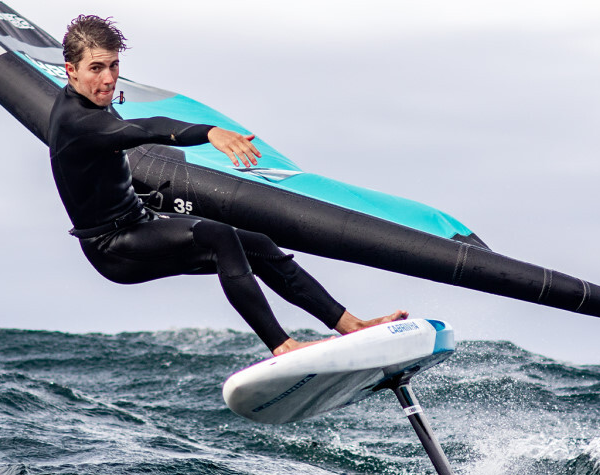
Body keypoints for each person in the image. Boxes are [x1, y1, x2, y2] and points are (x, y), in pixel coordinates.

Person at [47, 15, 406, 356]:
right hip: (114, 247)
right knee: (218, 237)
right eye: (96, 68)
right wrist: (209, 132)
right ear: (71, 71)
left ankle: (351, 324)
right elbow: (145, 129)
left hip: (140, 224)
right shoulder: (78, 123)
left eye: (113, 66)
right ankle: (282, 345)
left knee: (258, 244)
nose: (109, 79)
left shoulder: (88, 97)